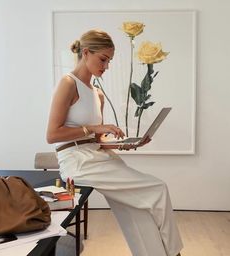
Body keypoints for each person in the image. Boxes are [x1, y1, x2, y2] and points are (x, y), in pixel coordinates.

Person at [46, 29, 183, 256]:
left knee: (135, 208)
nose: (106, 66)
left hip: (98, 156)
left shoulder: (97, 93)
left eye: (109, 61)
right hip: (76, 161)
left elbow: (97, 140)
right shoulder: (68, 83)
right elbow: (52, 135)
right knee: (158, 189)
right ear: (86, 53)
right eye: (103, 59)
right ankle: (175, 253)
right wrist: (94, 128)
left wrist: (126, 144)